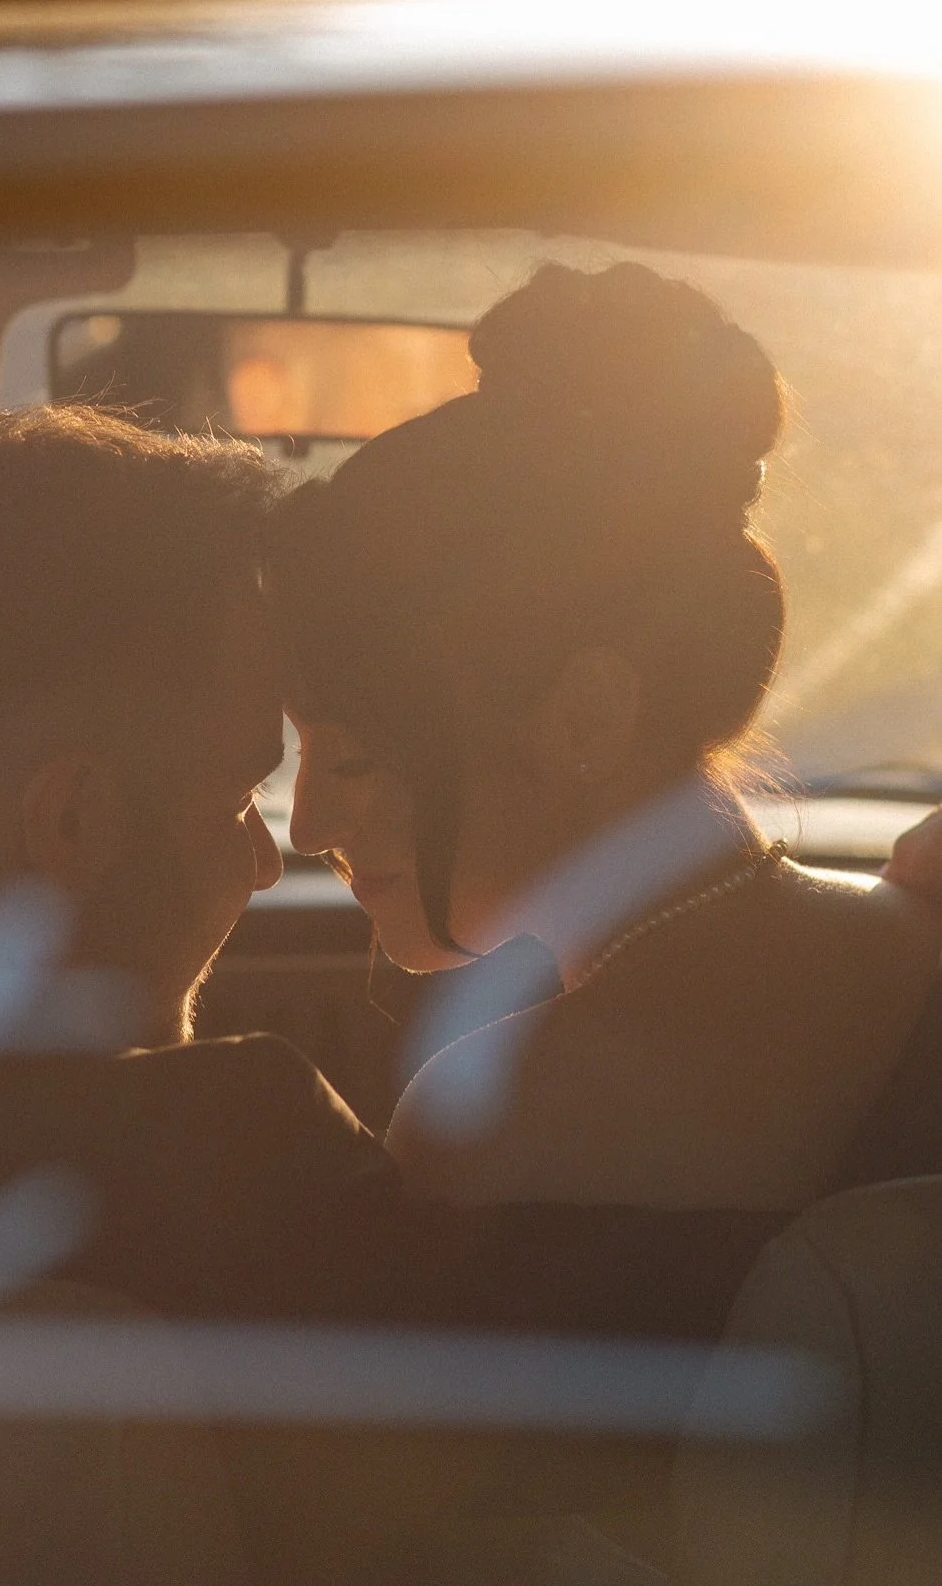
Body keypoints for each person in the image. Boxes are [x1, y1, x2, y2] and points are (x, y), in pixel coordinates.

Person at [0, 400, 792, 1335]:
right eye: (235, 794)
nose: (269, 858)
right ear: (73, 819)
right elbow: (768, 1336)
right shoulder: (220, 1156)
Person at [268, 261, 942, 1212]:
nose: (307, 826)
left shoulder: (494, 1121)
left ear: (586, 714)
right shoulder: (917, 933)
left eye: (350, 758)